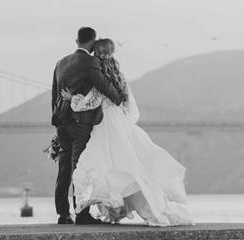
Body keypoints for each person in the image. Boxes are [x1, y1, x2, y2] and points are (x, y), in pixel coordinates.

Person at [63, 38, 193, 226]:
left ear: (96, 54)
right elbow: (128, 106)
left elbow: (91, 101)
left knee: (105, 163)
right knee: (128, 164)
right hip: (121, 123)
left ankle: (115, 208)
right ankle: (137, 208)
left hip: (106, 124)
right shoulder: (118, 74)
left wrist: (72, 99)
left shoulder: (100, 75)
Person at [52, 27, 125, 225]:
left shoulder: (60, 63)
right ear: (92, 43)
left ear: (76, 40)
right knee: (79, 167)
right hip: (81, 123)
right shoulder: (91, 62)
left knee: (64, 168)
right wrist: (119, 96)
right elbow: (105, 87)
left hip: (62, 122)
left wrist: (58, 122)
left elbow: (55, 95)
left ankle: (63, 214)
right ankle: (82, 214)